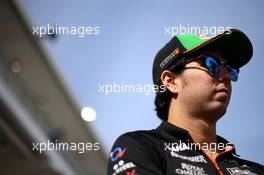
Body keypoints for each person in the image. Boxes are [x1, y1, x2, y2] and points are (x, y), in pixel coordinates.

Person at [107, 29, 264, 175]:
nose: (227, 77)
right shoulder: (140, 146)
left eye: (230, 69)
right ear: (171, 81)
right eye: (211, 64)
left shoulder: (256, 170)